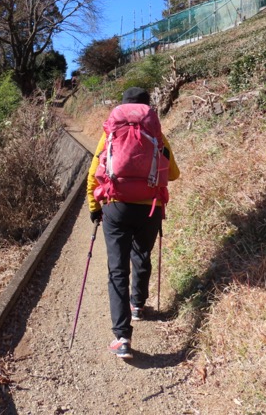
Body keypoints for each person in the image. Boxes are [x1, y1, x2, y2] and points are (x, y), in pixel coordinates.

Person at [86, 87, 180, 359]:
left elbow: (93, 174)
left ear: (122, 106)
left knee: (117, 270)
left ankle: (122, 337)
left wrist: (94, 207)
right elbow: (173, 174)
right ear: (148, 107)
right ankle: (138, 305)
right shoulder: (156, 134)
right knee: (142, 254)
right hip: (150, 207)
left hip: (116, 207)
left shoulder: (111, 133)